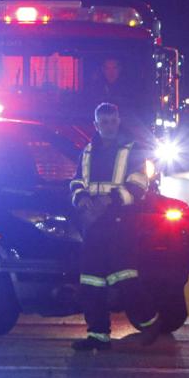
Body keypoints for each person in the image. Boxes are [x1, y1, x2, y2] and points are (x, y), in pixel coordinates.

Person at [69, 102, 160, 351]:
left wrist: (110, 201)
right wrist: (82, 198)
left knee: (125, 277)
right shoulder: (87, 151)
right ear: (96, 125)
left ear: (118, 121)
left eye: (112, 121)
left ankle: (151, 323)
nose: (108, 126)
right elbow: (76, 181)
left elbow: (139, 184)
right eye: (103, 122)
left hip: (121, 222)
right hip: (94, 223)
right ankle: (98, 335)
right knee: (91, 280)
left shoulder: (132, 150)